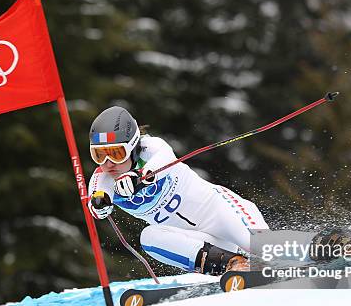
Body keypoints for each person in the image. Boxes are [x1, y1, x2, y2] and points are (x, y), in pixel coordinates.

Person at [87, 106, 269, 275]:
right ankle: (234, 265)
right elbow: (97, 203)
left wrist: (141, 177)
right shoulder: (103, 178)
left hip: (221, 213)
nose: (108, 163)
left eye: (117, 153)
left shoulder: (151, 148)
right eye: (99, 155)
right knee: (149, 237)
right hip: (204, 243)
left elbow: (165, 158)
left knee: (264, 248)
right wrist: (99, 205)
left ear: (133, 146)